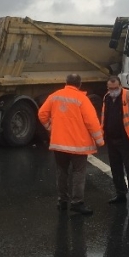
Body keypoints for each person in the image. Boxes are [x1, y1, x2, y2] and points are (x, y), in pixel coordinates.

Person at [38, 74, 105, 216]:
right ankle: (77, 202)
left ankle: (62, 201)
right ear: (79, 85)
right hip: (78, 146)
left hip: (59, 144)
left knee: (62, 172)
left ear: (66, 83)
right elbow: (92, 122)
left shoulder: (55, 96)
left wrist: (50, 127)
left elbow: (42, 113)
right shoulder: (82, 99)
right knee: (78, 173)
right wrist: (99, 141)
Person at [101, 75, 129, 207]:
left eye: (115, 88)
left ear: (120, 86)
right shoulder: (107, 98)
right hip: (112, 139)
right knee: (116, 168)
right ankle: (121, 193)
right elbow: (105, 116)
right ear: (107, 88)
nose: (113, 90)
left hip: (126, 139)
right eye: (110, 88)